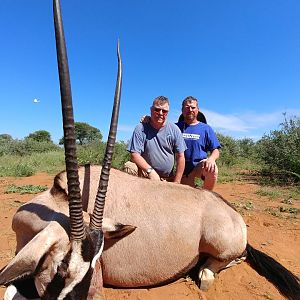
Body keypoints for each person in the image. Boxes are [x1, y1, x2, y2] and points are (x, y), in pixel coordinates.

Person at [125, 96, 186, 183]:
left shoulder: (174, 129)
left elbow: (181, 156)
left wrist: (177, 182)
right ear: (151, 109)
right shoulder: (140, 128)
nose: (161, 113)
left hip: (167, 178)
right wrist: (150, 171)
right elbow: (135, 155)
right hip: (146, 173)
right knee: (129, 167)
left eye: (164, 111)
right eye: (157, 110)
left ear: (167, 112)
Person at [176, 96, 221, 190]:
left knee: (212, 170)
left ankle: (207, 198)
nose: (190, 110)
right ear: (182, 110)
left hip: (198, 167)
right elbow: (159, 126)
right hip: (179, 169)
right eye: (187, 107)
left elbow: (216, 150)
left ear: (198, 110)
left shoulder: (206, 128)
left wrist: (211, 159)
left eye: (193, 107)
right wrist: (147, 120)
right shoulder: (175, 127)